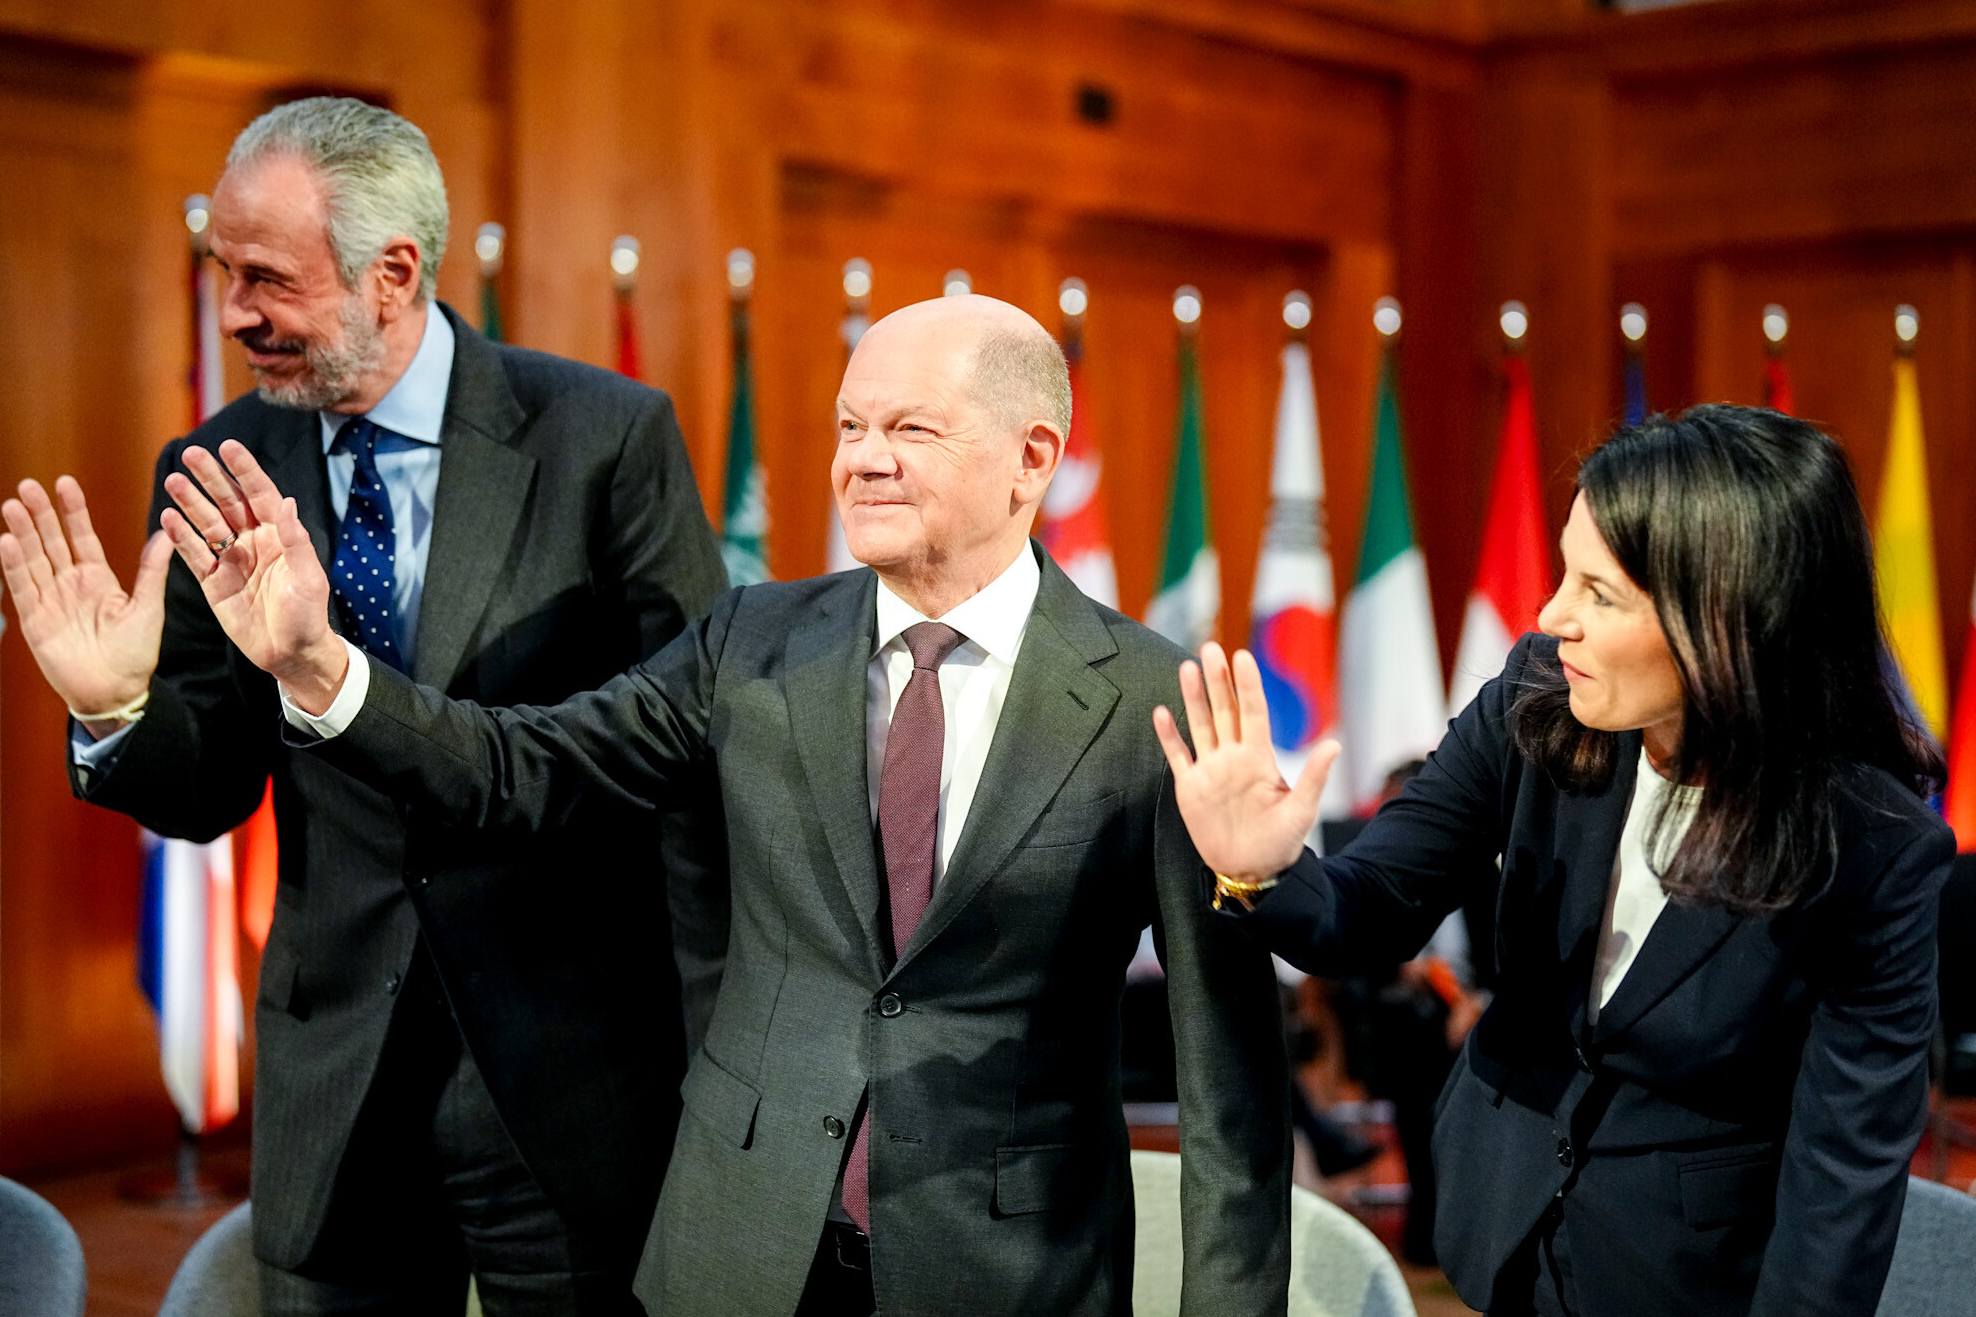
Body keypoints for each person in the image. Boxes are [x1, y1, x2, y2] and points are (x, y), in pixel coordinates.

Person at [134, 293, 1292, 1317]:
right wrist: (317, 670)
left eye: (909, 429)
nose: (861, 460)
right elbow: (519, 767)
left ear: (1031, 457)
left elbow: (1227, 1093)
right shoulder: (749, 641)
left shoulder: (1154, 697)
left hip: (1008, 1267)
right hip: (739, 1254)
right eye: (848, 427)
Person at [0, 98, 727, 1313]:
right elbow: (213, 779)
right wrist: (118, 707)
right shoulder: (219, 464)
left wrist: (718, 1038)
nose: (234, 313)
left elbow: (684, 755)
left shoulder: (605, 437)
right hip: (337, 1084)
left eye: (266, 280)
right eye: (224, 273)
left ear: (392, 274)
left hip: (570, 1083)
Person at [1151, 405, 1951, 1317]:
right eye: (1566, 573)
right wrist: (1262, 869)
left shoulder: (1873, 844)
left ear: (1724, 622)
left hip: (1687, 1281)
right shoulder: (1536, 698)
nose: (1550, 615)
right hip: (1497, 1223)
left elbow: (1840, 1187)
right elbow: (1368, 906)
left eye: (1598, 593)